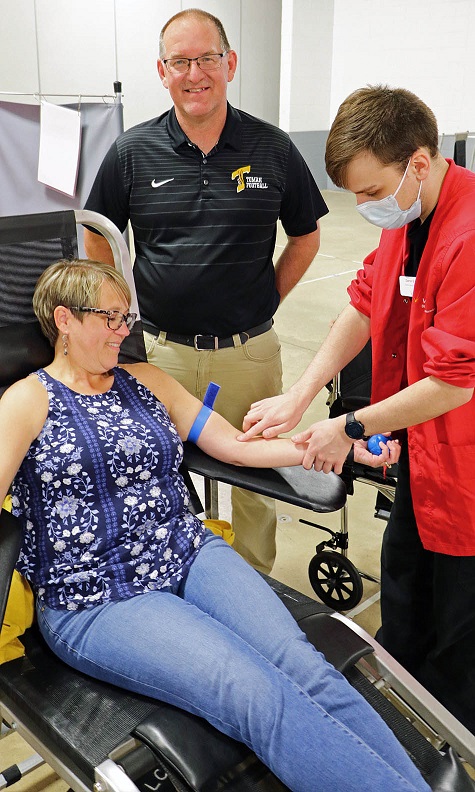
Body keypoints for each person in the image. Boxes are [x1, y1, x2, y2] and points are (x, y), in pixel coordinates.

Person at [0, 258, 430, 792]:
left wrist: (333, 444)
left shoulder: (145, 380)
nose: (124, 331)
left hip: (188, 552)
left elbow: (233, 447)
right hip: (99, 595)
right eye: (110, 319)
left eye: (126, 318)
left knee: (304, 665)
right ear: (64, 320)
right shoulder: (26, 401)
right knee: (254, 693)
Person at [240, 85, 475, 734]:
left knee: (458, 641)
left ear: (417, 163)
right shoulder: (410, 219)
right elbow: (367, 299)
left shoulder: (468, 235)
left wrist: (347, 427)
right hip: (426, 465)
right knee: (403, 604)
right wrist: (298, 393)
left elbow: (455, 383)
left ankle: (449, 750)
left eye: (371, 193)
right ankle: (400, 723)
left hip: (467, 476)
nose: (365, 207)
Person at [82, 7, 328, 575]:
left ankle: (254, 587)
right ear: (162, 71)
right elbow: (98, 237)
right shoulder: (131, 152)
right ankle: (168, 581)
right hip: (157, 355)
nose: (195, 73)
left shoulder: (272, 148)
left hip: (249, 356)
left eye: (207, 58)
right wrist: (119, 313)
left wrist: (266, 301)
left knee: (256, 485)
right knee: (149, 472)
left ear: (230, 64)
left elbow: (307, 237)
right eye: (180, 62)